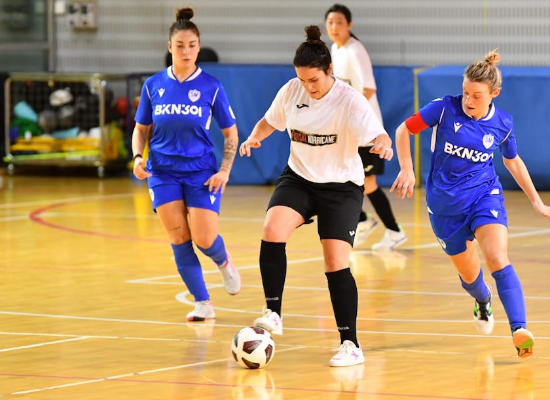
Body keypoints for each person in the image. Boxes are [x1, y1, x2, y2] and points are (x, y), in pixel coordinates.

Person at [239, 25, 393, 367]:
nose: (309, 87)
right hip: (300, 178)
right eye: (303, 80)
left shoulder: (349, 100)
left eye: (314, 80)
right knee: (272, 228)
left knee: (335, 262)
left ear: (329, 71)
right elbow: (269, 121)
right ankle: (273, 312)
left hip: (341, 186)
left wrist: (383, 144)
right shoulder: (291, 90)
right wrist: (254, 137)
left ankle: (350, 344)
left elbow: (378, 133)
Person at [391, 49, 550, 358]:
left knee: (496, 256)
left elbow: (513, 162)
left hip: (483, 196)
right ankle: (482, 300)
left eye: (476, 95)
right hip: (444, 208)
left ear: (494, 94)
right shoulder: (443, 109)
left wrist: (537, 201)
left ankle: (519, 329)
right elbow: (403, 129)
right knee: (470, 277)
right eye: (466, 92)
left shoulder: (502, 123)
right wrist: (407, 168)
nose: (468, 100)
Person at [132, 7, 241, 322]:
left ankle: (223, 262)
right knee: (179, 238)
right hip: (162, 172)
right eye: (179, 45)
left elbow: (231, 133)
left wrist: (224, 170)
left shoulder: (211, 86)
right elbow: (140, 129)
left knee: (204, 239)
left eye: (192, 45)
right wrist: (138, 157)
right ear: (170, 47)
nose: (186, 51)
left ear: (198, 47)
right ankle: (203, 302)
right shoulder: (153, 85)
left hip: (200, 172)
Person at [324, 4, 407, 251]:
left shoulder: (355, 50)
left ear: (349, 25)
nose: (334, 27)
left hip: (366, 130)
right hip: (349, 129)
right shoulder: (335, 49)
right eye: (330, 22)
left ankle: (394, 231)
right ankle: (364, 220)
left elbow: (368, 88)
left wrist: (348, 113)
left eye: (339, 22)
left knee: (367, 182)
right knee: (337, 176)